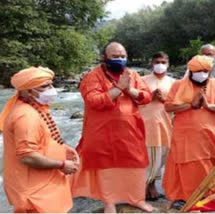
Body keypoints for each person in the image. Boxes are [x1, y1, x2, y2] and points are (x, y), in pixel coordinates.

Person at [71, 42, 154, 213]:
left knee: (136, 165)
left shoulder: (132, 75)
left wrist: (130, 90)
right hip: (102, 132)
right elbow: (94, 101)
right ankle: (109, 202)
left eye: (123, 56)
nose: (120, 59)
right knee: (105, 168)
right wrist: (118, 89)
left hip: (131, 131)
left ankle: (137, 199)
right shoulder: (92, 77)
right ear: (104, 57)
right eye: (115, 56)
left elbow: (146, 97)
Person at [0, 67, 79, 213]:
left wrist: (63, 148)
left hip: (44, 183)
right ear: (27, 91)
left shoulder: (35, 107)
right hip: (35, 190)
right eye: (44, 86)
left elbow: (44, 137)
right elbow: (28, 157)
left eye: (50, 84)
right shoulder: (26, 117)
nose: (51, 89)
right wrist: (62, 164)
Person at [162, 55, 215, 209]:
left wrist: (209, 106)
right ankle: (180, 197)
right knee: (182, 165)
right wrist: (190, 105)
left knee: (205, 166)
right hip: (183, 134)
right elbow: (168, 107)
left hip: (206, 135)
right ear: (191, 71)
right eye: (199, 70)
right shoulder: (179, 85)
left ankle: (205, 196)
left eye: (206, 70)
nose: (202, 73)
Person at [139, 52, 175, 200]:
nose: (159, 64)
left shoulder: (174, 83)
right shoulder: (141, 80)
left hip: (167, 123)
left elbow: (177, 104)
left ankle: (151, 184)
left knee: (162, 156)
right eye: (156, 62)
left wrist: (163, 99)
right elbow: (132, 100)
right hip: (147, 123)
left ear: (168, 64)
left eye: (162, 61)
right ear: (151, 64)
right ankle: (143, 188)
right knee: (150, 155)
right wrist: (149, 97)